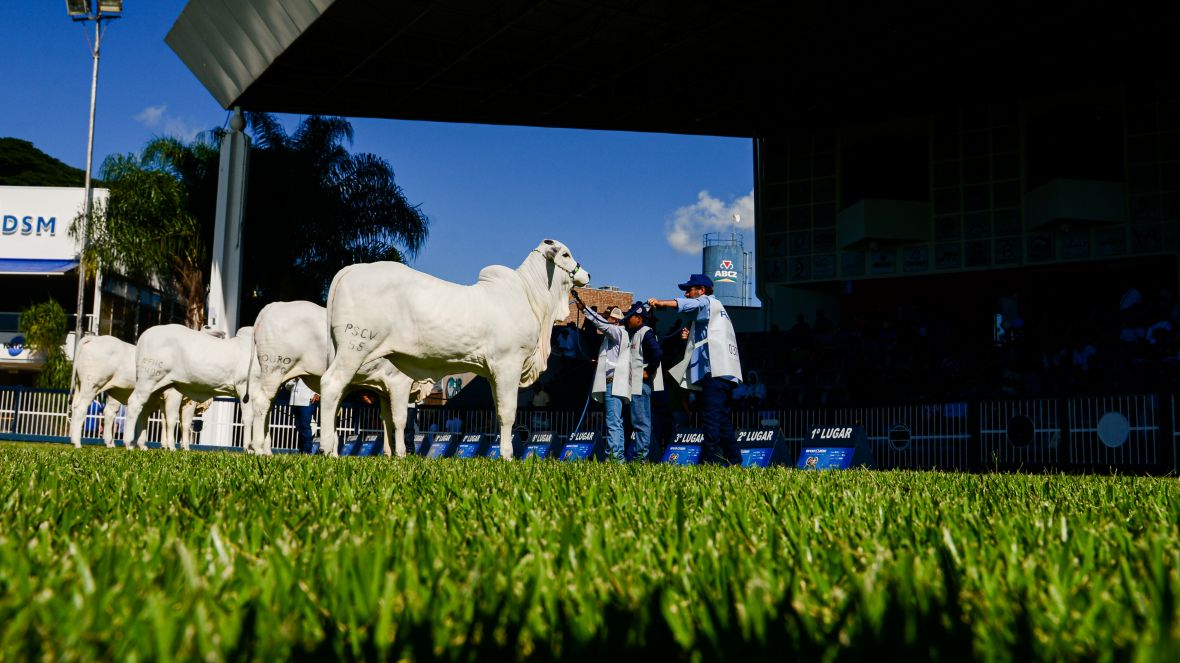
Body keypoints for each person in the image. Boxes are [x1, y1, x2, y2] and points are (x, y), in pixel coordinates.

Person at [649, 274, 743, 465]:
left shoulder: (706, 302)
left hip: (714, 370)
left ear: (701, 290)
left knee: (710, 417)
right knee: (722, 418)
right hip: (726, 370)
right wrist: (689, 337)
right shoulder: (717, 309)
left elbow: (687, 304)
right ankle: (734, 459)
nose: (686, 293)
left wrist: (661, 302)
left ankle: (711, 460)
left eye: (689, 289)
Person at [576, 300, 630, 461]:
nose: (606, 320)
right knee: (617, 422)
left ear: (615, 320)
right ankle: (618, 457)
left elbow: (602, 325)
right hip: (616, 382)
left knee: (613, 422)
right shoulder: (617, 335)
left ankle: (613, 457)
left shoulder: (616, 331)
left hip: (612, 383)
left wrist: (585, 309)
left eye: (608, 318)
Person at [624, 301, 663, 462]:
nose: (627, 319)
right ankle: (639, 456)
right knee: (637, 421)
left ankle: (641, 458)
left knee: (641, 421)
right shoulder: (634, 333)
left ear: (639, 318)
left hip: (641, 385)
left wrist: (649, 370)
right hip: (634, 385)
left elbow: (657, 353)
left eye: (630, 316)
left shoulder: (645, 332)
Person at [286, 377, 319, 454]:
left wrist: (318, 394)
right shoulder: (294, 376)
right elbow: (287, 386)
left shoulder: (309, 373)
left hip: (307, 402)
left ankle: (307, 451)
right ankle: (301, 449)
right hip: (295, 403)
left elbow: (318, 381)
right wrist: (294, 380)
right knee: (299, 427)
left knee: (305, 426)